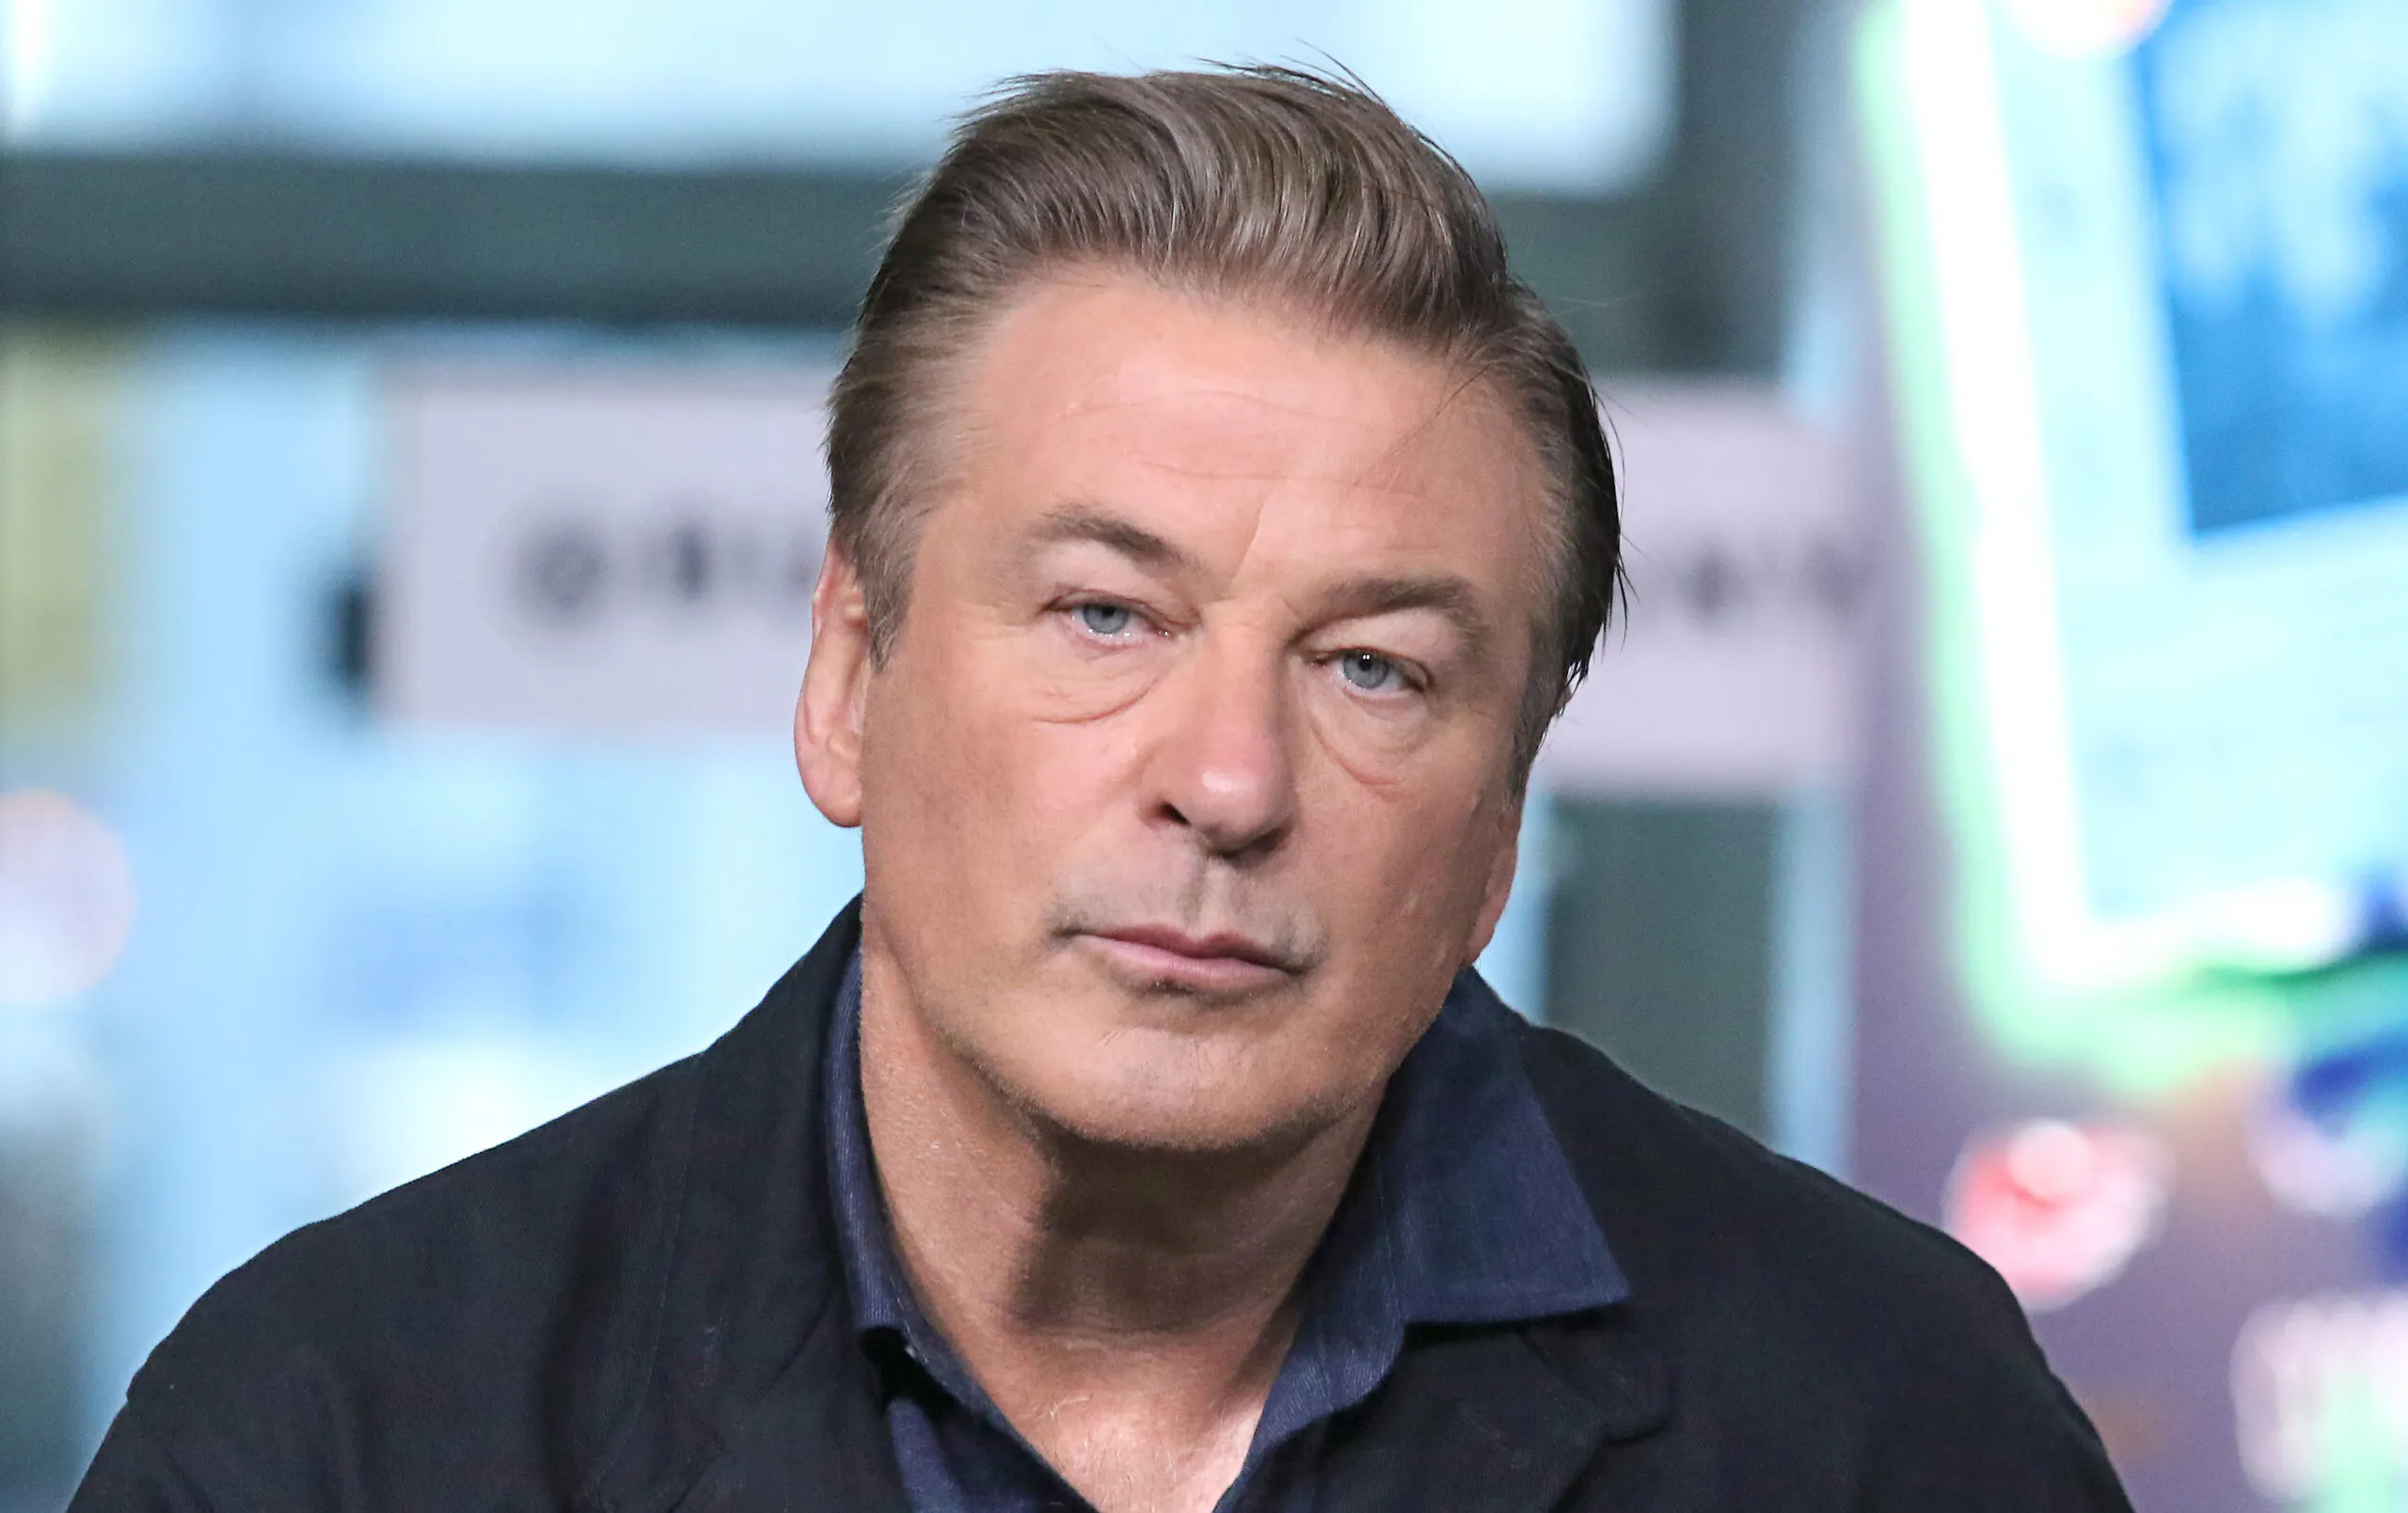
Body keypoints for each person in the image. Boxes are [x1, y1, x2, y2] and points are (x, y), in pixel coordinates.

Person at [71, 66, 2131, 1513]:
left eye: (1372, 669)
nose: (1226, 784)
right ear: (848, 678)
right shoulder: (348, 1433)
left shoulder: (1880, 1430)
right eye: (1104, 618)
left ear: (1500, 828)